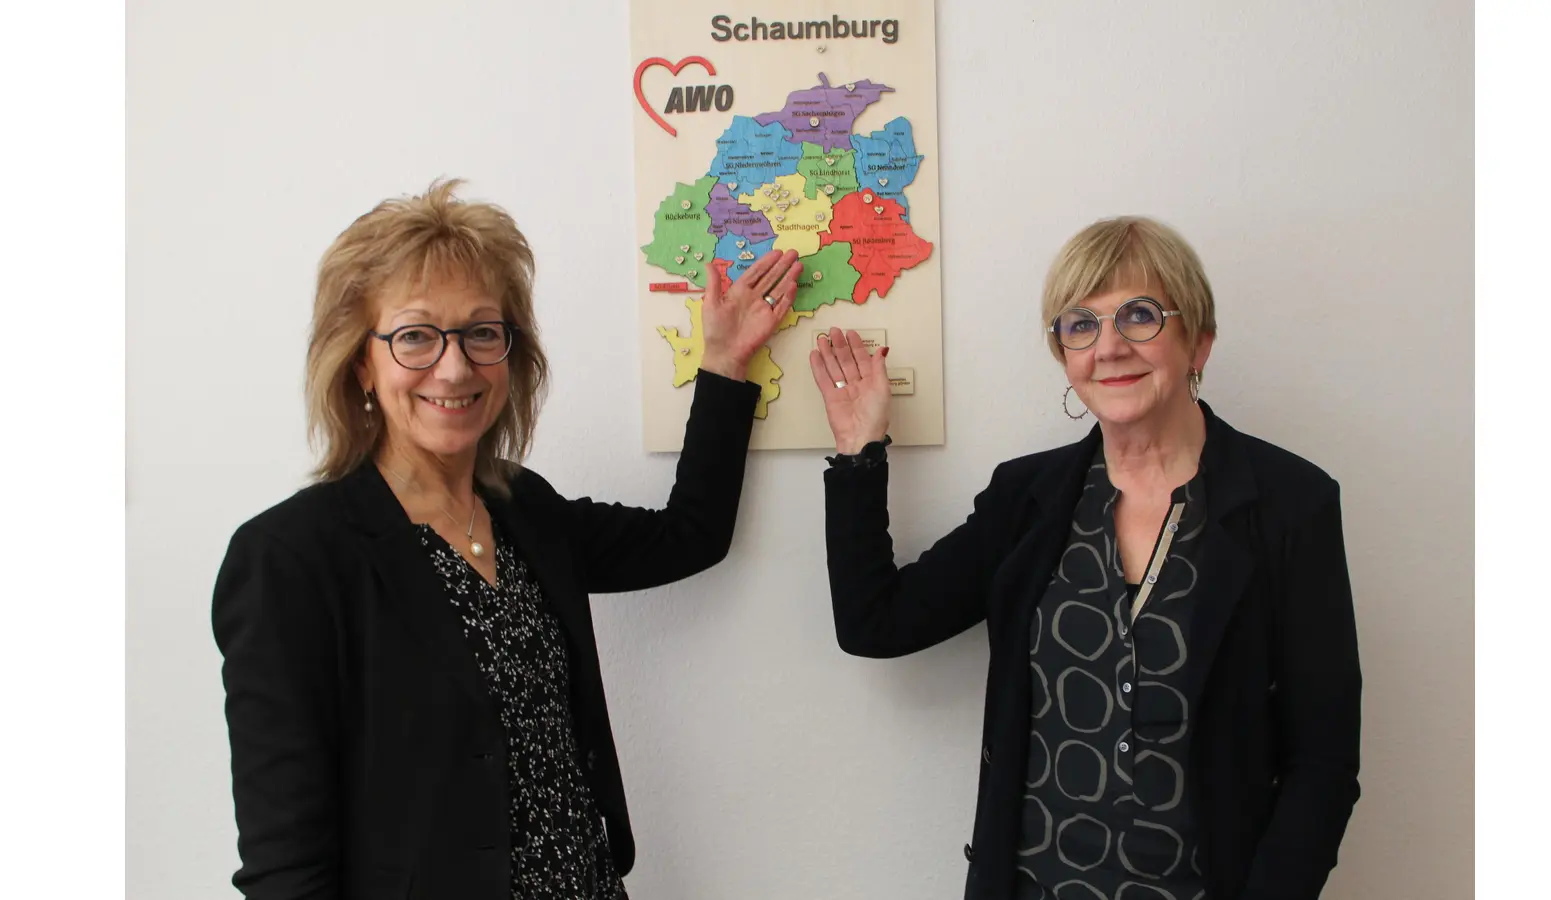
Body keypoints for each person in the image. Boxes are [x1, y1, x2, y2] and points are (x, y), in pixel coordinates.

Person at [211, 179, 801, 900]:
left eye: (481, 332)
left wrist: (725, 362)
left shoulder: (526, 510)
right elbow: (284, 867)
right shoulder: (291, 559)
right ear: (361, 361)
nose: (455, 366)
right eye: (415, 336)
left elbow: (690, 536)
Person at [809, 216, 1362, 900]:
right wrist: (858, 452)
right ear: (1064, 355)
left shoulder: (1291, 505)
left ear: (1199, 341)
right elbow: (876, 623)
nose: (1110, 347)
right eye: (1081, 324)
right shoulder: (1026, 500)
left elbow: (1323, 761)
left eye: (1141, 315)